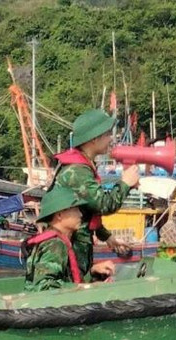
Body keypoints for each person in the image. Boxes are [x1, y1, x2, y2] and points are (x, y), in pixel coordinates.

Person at [51, 108, 140, 277]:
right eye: (107, 134)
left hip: (78, 250)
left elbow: (88, 210)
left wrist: (107, 237)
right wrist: (125, 183)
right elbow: (103, 205)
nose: (111, 138)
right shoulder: (77, 171)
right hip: (70, 250)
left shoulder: (82, 166)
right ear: (94, 139)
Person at [24, 187, 115, 292]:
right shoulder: (55, 244)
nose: (80, 214)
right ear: (59, 215)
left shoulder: (56, 241)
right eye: (75, 209)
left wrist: (92, 271)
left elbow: (65, 279)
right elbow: (44, 287)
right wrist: (88, 287)